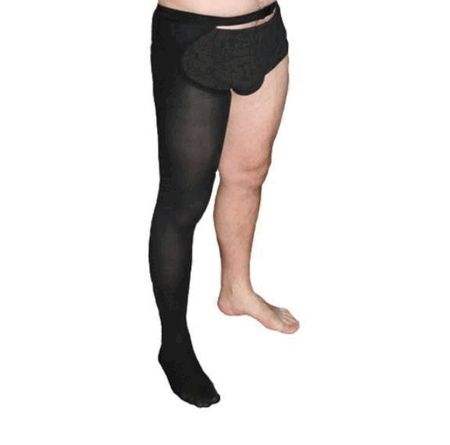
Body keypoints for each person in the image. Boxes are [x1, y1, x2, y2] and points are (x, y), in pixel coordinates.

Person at [148, 0, 299, 408]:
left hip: (265, 30)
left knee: (249, 173)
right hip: (193, 34)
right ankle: (173, 343)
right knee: (184, 200)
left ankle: (237, 290)